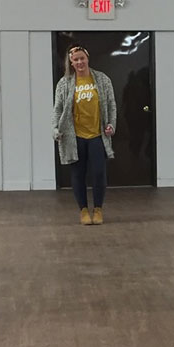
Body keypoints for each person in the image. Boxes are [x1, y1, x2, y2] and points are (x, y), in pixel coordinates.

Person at [52, 45, 117, 225]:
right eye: (75, 60)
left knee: (98, 173)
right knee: (78, 175)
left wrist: (111, 124)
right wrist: (55, 128)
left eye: (82, 58)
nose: (79, 62)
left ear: (87, 58)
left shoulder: (102, 79)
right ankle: (83, 210)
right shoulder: (64, 84)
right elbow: (57, 109)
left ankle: (98, 209)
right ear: (71, 63)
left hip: (97, 135)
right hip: (75, 137)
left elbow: (111, 105)